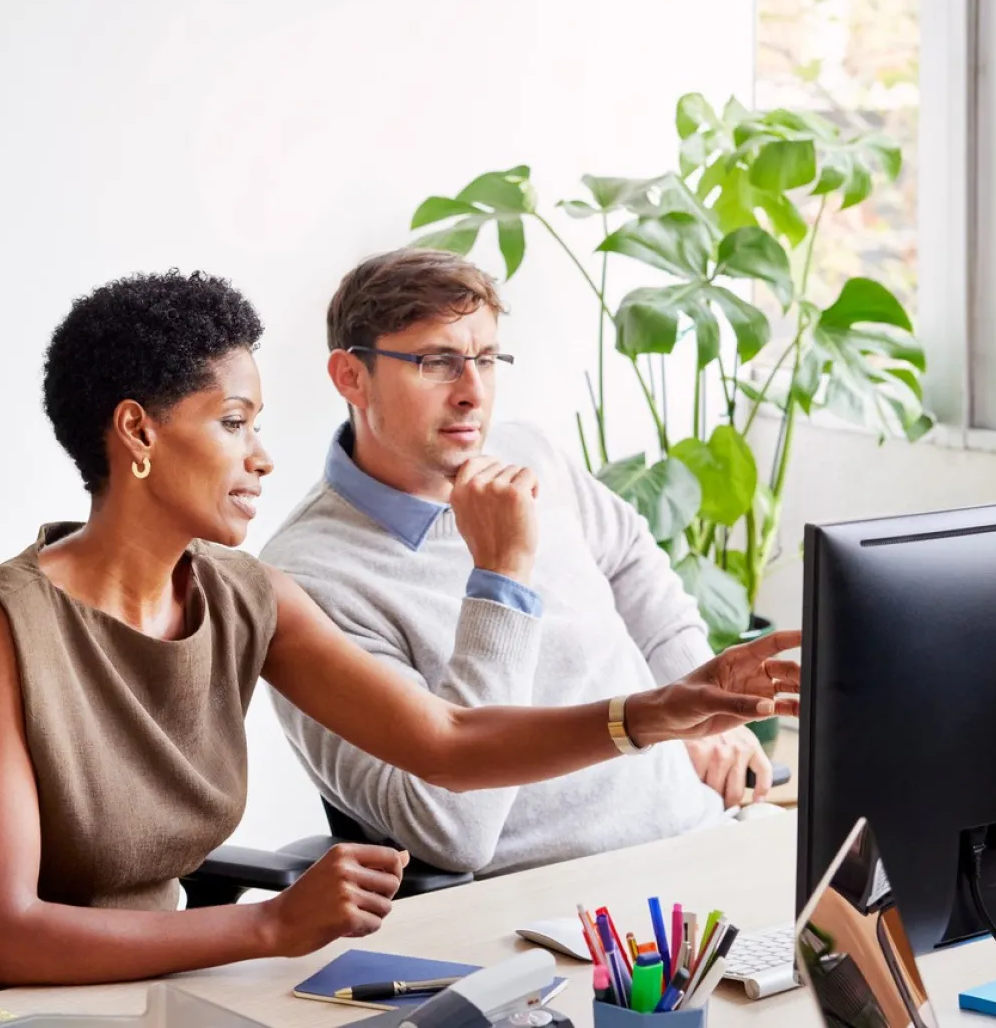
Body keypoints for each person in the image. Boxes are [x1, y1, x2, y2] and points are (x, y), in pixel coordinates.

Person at [0, 269, 798, 1000]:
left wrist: (660, 711)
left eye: (257, 425)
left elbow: (447, 741)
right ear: (137, 433)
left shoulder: (244, 593)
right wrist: (269, 922)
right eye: (234, 424)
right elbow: (0, 938)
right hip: (22, 1010)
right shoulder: (5, 625)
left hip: (166, 991)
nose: (262, 455)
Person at [262, 248, 774, 879]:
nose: (472, 393)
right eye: (437, 362)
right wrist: (501, 576)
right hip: (546, 907)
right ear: (351, 377)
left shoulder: (529, 453)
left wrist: (697, 714)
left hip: (700, 836)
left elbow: (632, 562)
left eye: (485, 359)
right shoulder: (307, 579)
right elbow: (452, 832)